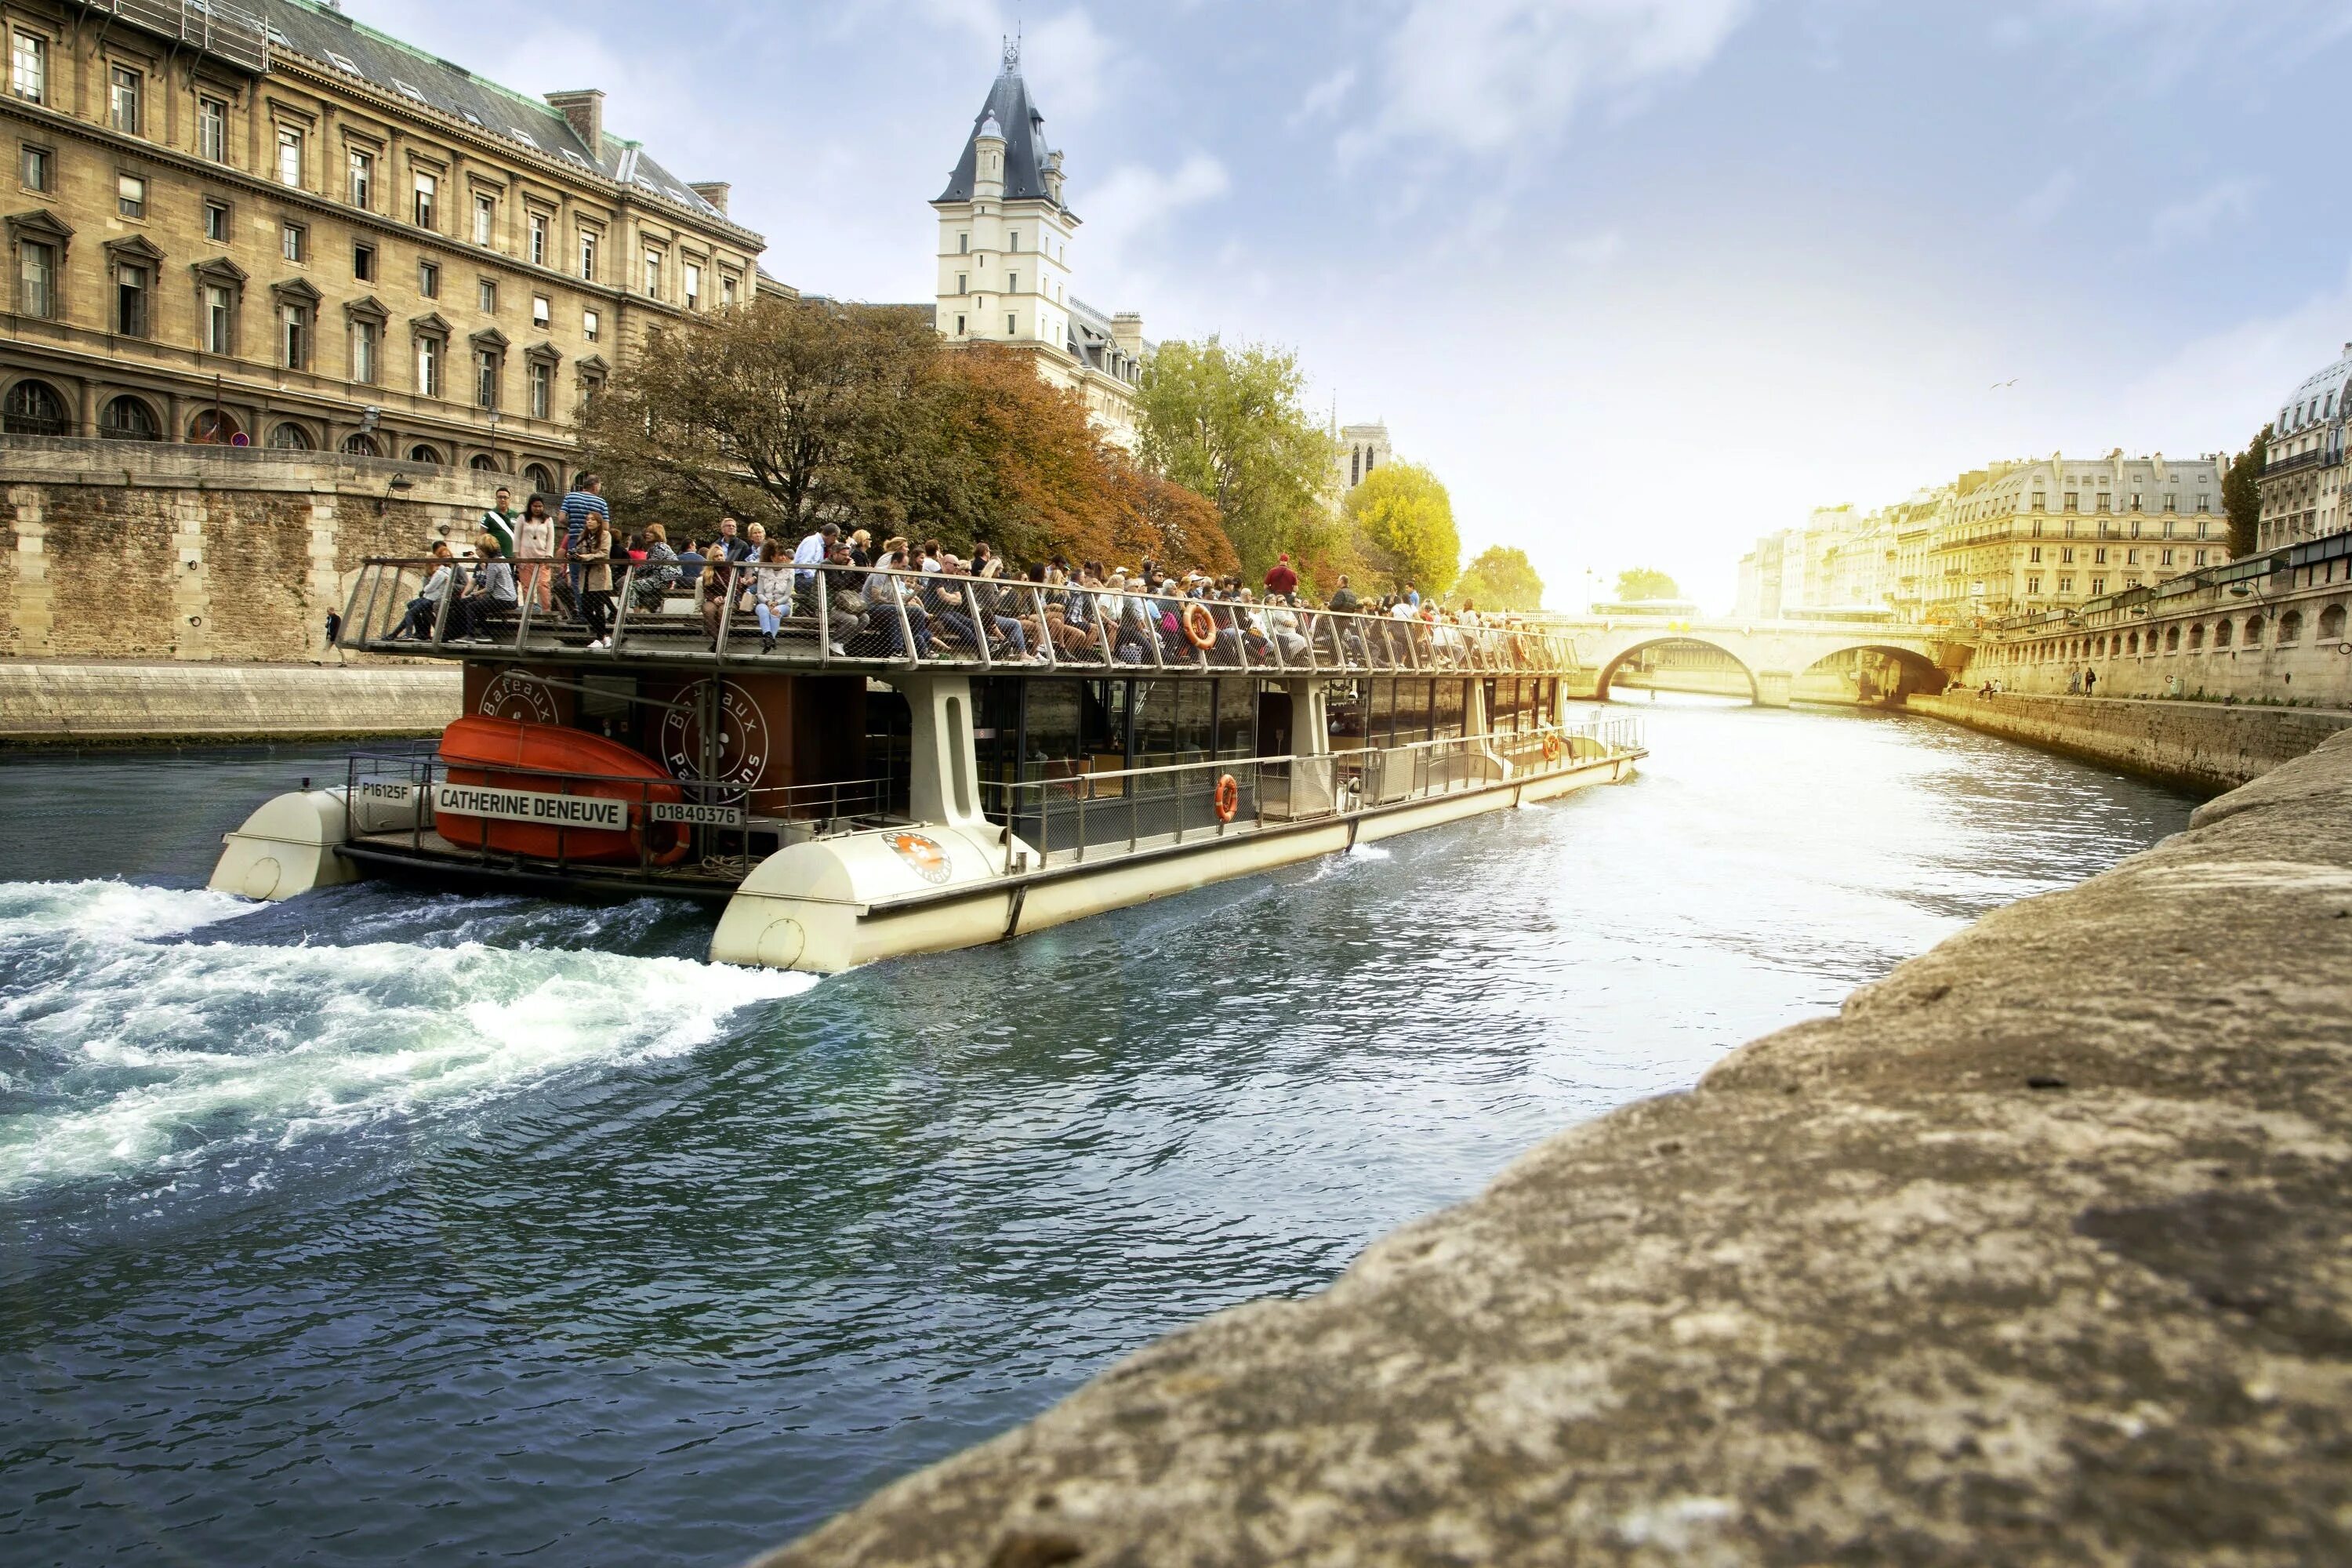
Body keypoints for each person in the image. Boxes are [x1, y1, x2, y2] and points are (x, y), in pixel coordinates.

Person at [560, 472, 609, 608]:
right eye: (599, 486)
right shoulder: (601, 502)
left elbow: (561, 518)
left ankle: (582, 613)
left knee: (576, 579)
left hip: (575, 540)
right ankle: (593, 611)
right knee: (592, 578)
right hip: (594, 542)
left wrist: (574, 525)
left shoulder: (570, 497)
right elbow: (605, 527)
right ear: (595, 486)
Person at [457, 532, 517, 639]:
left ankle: (470, 635)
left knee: (471, 606)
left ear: (485, 549)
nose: (476, 551)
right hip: (511, 599)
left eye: (478, 549)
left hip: (503, 600)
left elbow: (489, 588)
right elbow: (493, 575)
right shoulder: (502, 559)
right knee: (477, 604)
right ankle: (484, 634)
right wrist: (480, 563)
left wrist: (475, 593)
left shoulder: (493, 563)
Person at [395, 542, 458, 638]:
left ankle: (413, 634)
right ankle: (421, 632)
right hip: (431, 596)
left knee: (416, 610)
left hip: (446, 596)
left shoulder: (452, 570)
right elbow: (427, 587)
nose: (447, 559)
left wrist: (451, 584)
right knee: (412, 605)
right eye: (443, 557)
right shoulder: (434, 572)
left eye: (448, 556)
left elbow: (429, 588)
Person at [576, 505, 617, 648]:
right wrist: (575, 556)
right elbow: (579, 551)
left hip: (599, 574)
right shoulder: (583, 535)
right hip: (586, 574)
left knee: (598, 607)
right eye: (588, 519)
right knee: (586, 608)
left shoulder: (605, 535)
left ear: (599, 522)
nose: (589, 522)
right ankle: (603, 636)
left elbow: (604, 554)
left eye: (593, 519)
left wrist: (586, 557)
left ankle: (601, 637)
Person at [515, 494, 555, 610]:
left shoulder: (548, 519)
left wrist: (549, 556)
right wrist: (517, 555)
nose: (538, 509)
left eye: (540, 506)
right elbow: (517, 537)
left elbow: (550, 539)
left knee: (543, 585)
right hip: (525, 558)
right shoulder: (522, 518)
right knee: (527, 586)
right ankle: (530, 610)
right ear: (530, 506)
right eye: (535, 506)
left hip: (542, 558)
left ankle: (546, 611)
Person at [753, 539, 793, 653]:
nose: (784, 558)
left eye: (784, 555)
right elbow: (759, 593)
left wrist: (776, 603)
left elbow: (787, 595)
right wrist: (767, 602)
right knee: (762, 610)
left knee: (775, 612)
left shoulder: (790, 572)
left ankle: (769, 640)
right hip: (765, 602)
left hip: (783, 604)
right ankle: (769, 638)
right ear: (772, 558)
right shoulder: (763, 571)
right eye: (780, 556)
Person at [479, 485, 518, 559]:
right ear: (496, 499)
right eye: (500, 497)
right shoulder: (488, 516)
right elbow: (481, 538)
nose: (502, 500)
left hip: (513, 557)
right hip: (495, 558)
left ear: (510, 499)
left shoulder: (516, 515)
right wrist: (483, 558)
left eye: (505, 497)